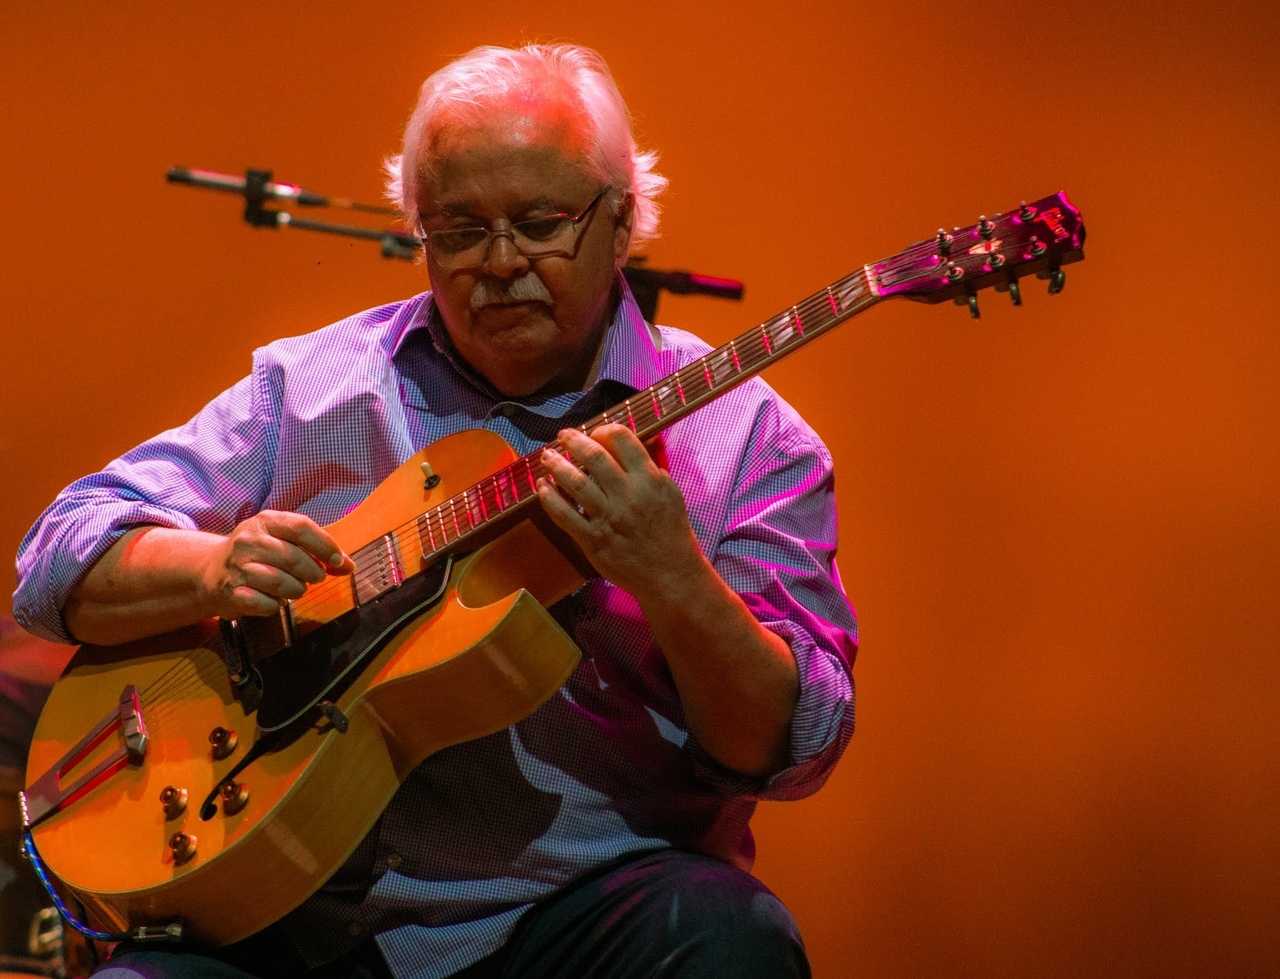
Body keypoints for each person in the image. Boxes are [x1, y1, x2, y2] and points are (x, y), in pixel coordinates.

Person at [12, 43, 857, 979]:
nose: (499, 265)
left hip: (582, 912)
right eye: (458, 230)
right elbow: (55, 556)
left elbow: (795, 749)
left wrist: (671, 574)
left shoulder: (747, 437)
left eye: (540, 224)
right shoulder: (312, 385)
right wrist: (209, 569)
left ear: (621, 223)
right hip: (291, 908)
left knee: (733, 942)